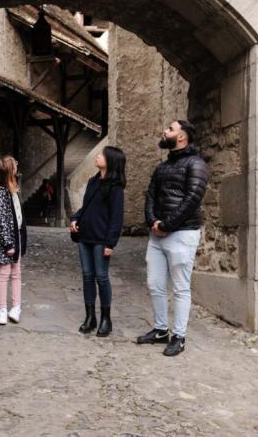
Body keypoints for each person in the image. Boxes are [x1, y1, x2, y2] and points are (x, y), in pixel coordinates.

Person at [138, 120, 209, 357]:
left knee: (180, 288)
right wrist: (153, 222)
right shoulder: (161, 167)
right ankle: (160, 330)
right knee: (155, 285)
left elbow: (193, 199)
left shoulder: (196, 164)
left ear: (182, 137)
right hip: (157, 235)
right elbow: (150, 195)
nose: (164, 131)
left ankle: (179, 336)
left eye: (170, 129)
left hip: (182, 234)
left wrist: (168, 225)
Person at [70, 147, 126, 338]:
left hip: (101, 240)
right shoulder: (93, 181)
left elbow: (116, 217)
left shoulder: (115, 186)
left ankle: (106, 319)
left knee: (101, 277)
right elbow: (86, 207)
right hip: (85, 237)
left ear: (110, 160)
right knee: (87, 276)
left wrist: (111, 243)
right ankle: (90, 317)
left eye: (101, 155)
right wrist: (75, 218)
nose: (97, 156)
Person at [0, 155, 27, 326]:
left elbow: (18, 214)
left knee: (17, 272)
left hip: (16, 236)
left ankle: (16, 307)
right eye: (15, 164)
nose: (17, 165)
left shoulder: (13, 188)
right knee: (5, 273)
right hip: (7, 239)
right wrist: (8, 243)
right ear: (9, 170)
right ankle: (3, 308)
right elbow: (0, 219)